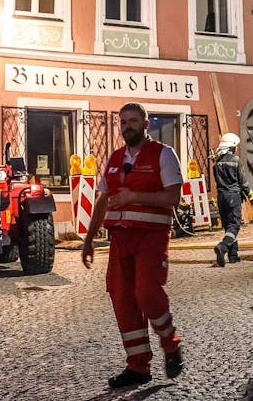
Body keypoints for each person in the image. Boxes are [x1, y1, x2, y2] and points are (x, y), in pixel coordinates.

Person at [81, 103, 186, 390]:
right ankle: (138, 366)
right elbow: (102, 200)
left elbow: (173, 198)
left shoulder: (163, 154)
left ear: (145, 123)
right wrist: (88, 241)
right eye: (123, 121)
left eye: (133, 121)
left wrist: (133, 196)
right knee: (123, 300)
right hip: (120, 239)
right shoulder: (115, 158)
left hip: (151, 236)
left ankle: (170, 343)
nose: (128, 126)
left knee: (147, 292)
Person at [212, 133, 252, 266]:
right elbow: (243, 182)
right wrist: (251, 196)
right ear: (231, 147)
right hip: (233, 196)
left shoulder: (217, 162)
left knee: (228, 226)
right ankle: (222, 247)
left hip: (221, 197)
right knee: (234, 225)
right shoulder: (236, 160)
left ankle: (233, 255)